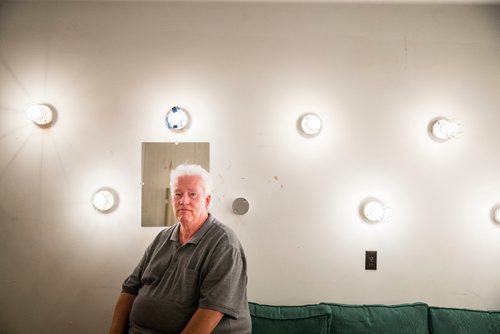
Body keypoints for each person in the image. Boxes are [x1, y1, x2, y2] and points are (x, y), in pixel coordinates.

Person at [108, 164, 251, 334]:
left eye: (192, 194)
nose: (184, 201)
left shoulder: (224, 244)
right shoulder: (162, 238)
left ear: (206, 200)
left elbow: (212, 310)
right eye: (178, 194)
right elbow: (130, 289)